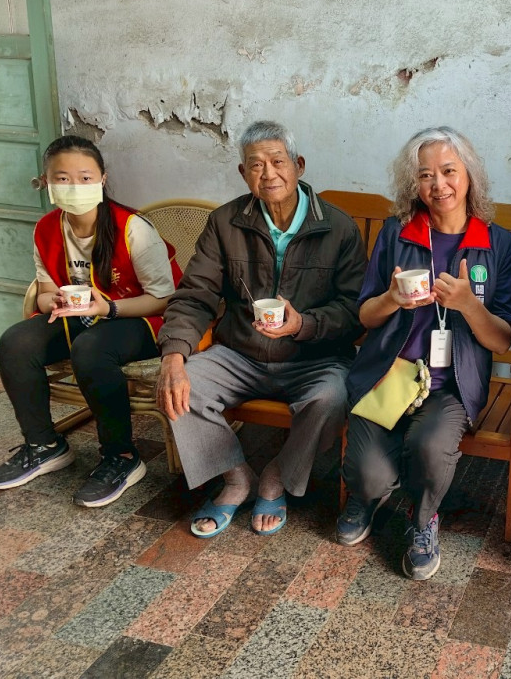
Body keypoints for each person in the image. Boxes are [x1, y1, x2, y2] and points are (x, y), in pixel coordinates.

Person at [156, 120, 366, 538]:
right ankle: (235, 476)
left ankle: (276, 477)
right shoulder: (225, 222)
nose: (268, 173)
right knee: (181, 384)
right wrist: (174, 356)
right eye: (255, 165)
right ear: (242, 173)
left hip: (314, 357)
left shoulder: (339, 228)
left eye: (277, 161)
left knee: (332, 396)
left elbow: (354, 309)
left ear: (299, 165)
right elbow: (195, 293)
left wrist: (302, 324)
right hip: (240, 353)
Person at [337, 127, 511, 580]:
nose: (438, 185)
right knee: (367, 475)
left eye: (448, 171)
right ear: (413, 184)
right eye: (426, 175)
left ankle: (424, 521)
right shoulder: (396, 234)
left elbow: (503, 341)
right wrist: (392, 300)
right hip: (389, 375)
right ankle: (368, 494)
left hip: (450, 386)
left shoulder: (498, 245)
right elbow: (365, 315)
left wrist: (467, 305)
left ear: (469, 176)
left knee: (429, 447)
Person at [0, 136, 180, 507]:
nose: (74, 186)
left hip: (141, 316)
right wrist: (54, 299)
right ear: (45, 182)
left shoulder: (132, 227)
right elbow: (44, 293)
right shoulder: (46, 229)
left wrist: (107, 309)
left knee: (91, 348)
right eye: (62, 178)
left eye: (85, 177)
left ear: (103, 179)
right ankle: (45, 445)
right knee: (16, 342)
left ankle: (121, 456)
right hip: (79, 315)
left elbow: (165, 297)